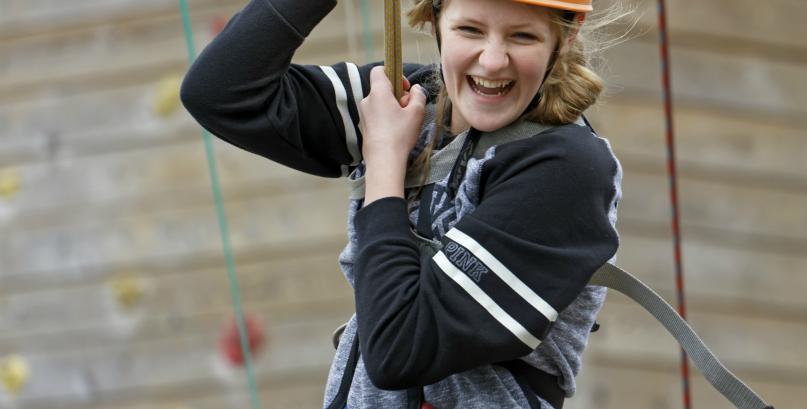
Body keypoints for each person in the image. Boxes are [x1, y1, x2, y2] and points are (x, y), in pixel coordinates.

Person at [180, 0, 625, 407]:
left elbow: (401, 349)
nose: (492, 60)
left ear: (565, 38)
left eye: (522, 36)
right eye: (469, 29)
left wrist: (385, 164)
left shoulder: (567, 170)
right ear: (434, 21)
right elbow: (221, 93)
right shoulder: (411, 101)